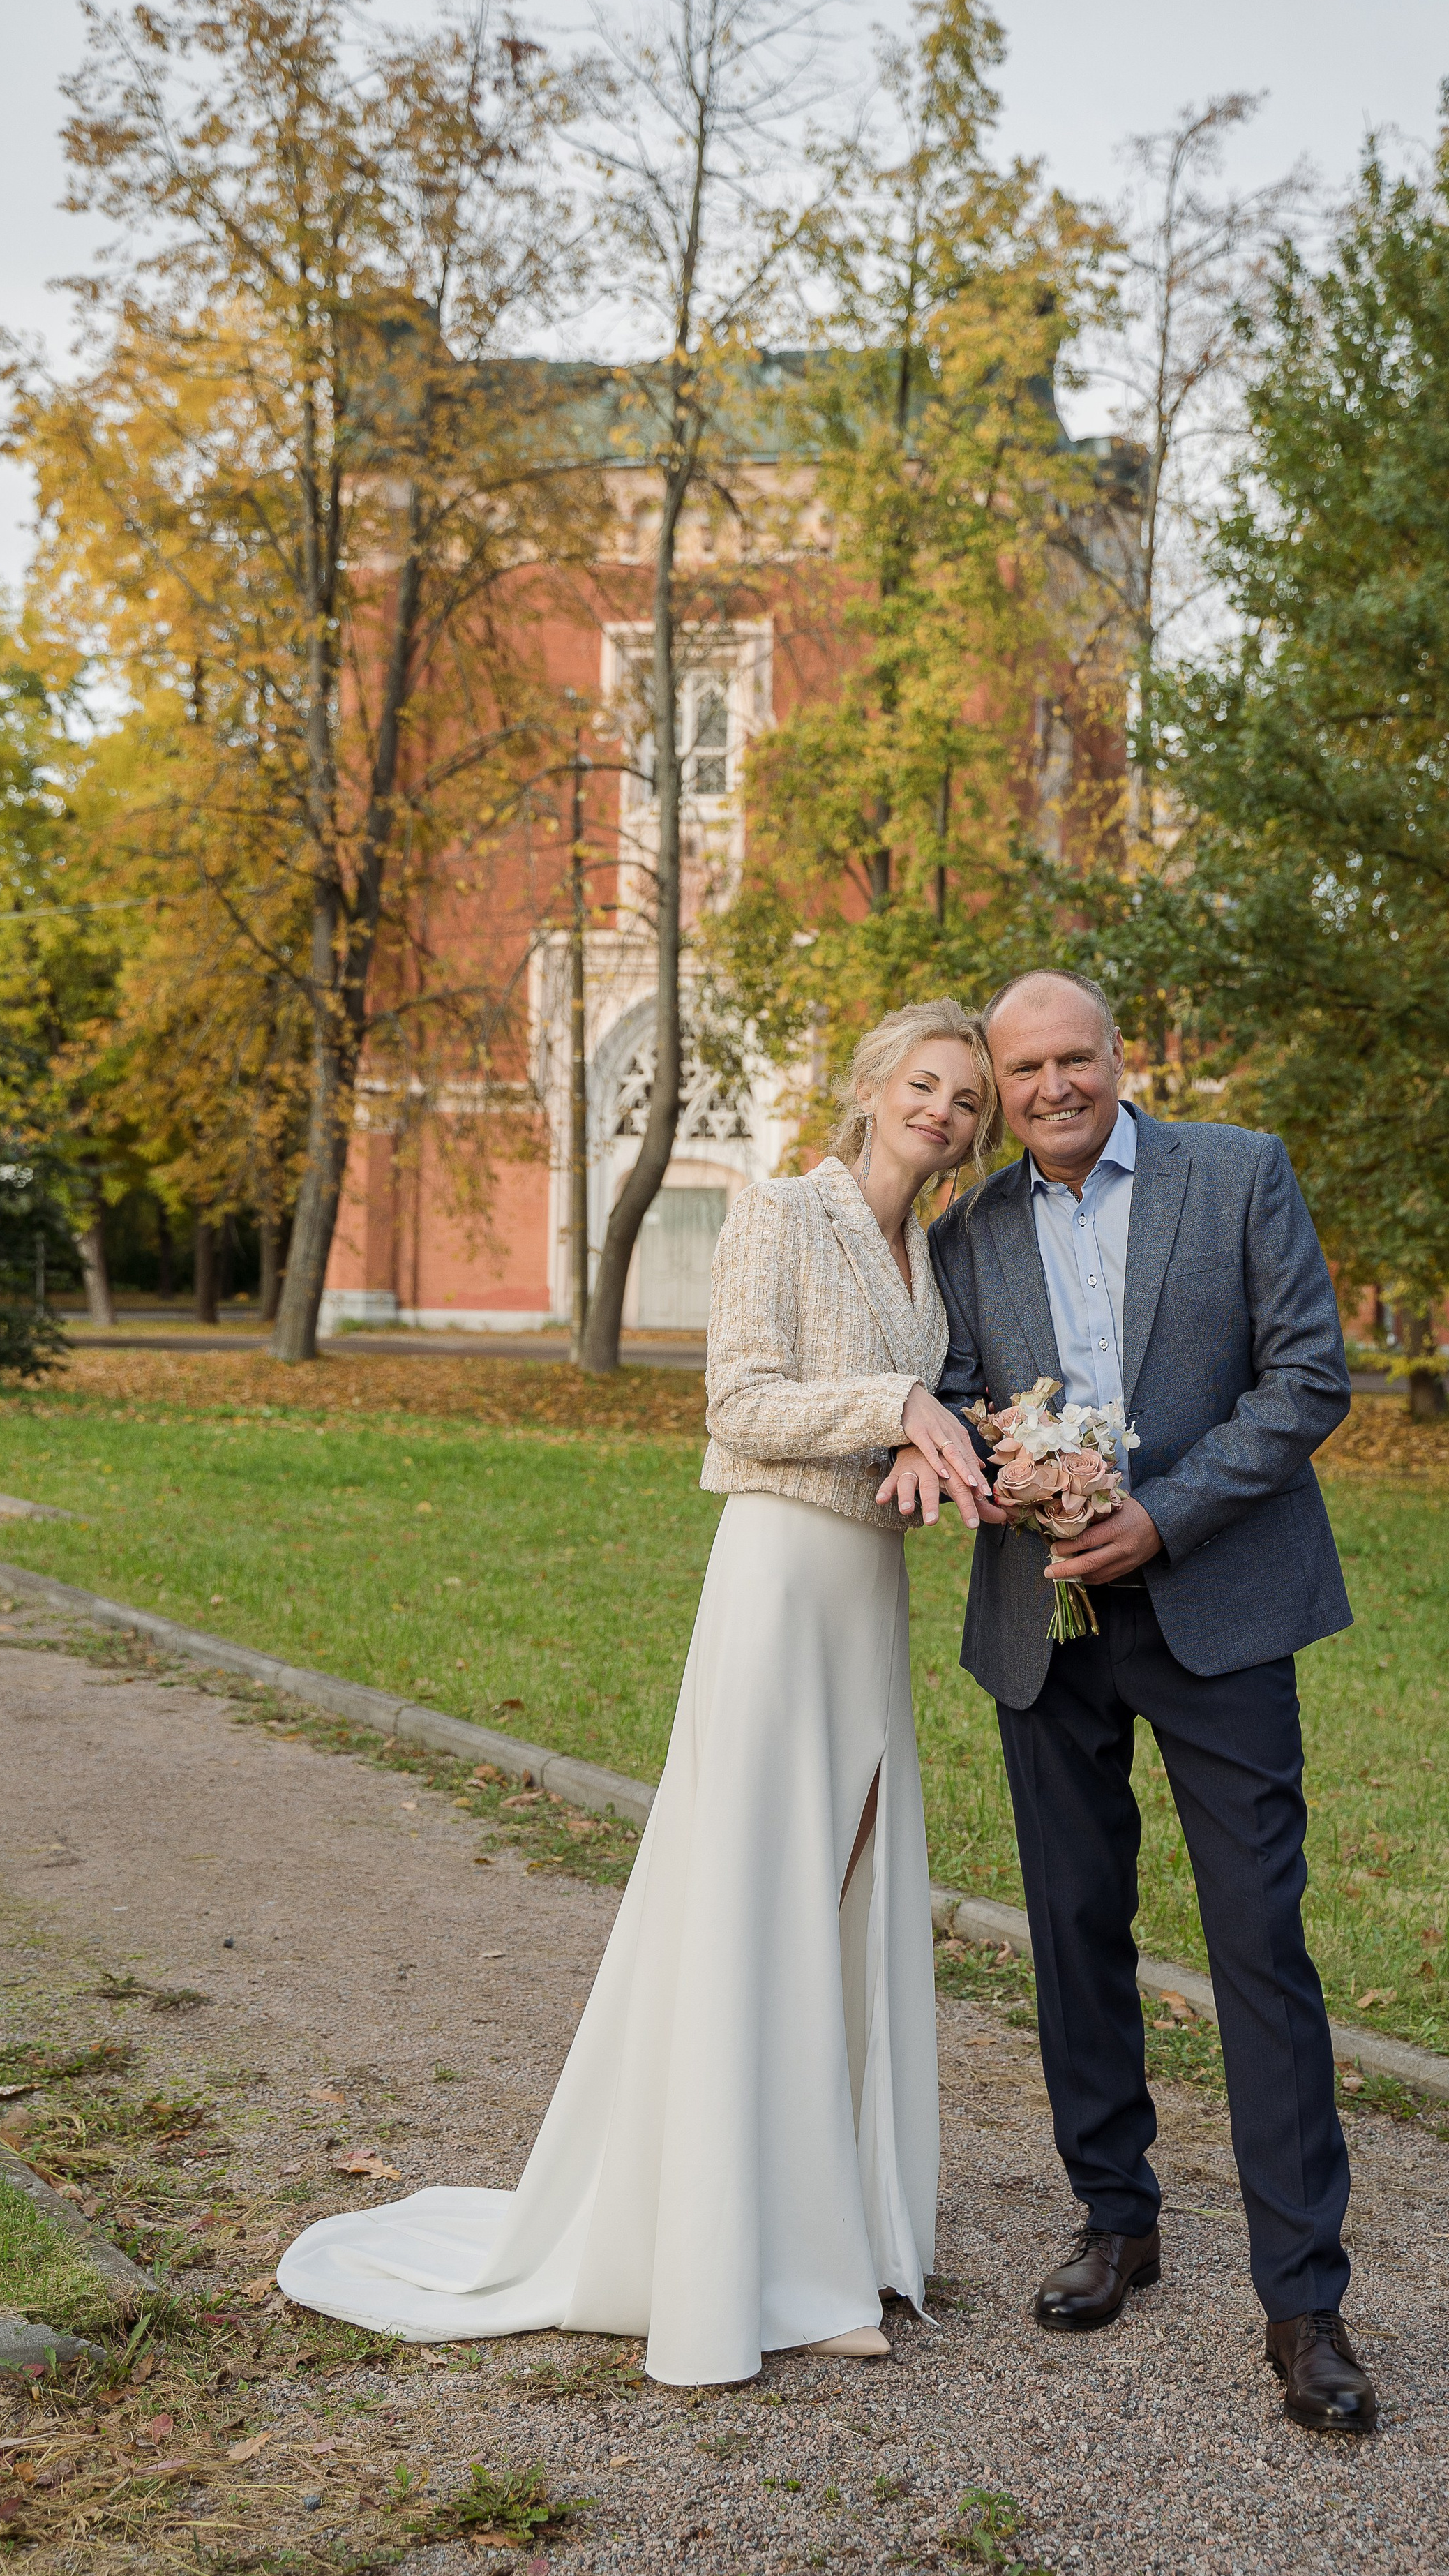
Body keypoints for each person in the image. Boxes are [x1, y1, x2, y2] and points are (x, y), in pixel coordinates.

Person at [277, 998, 1002, 2386]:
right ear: (871, 1084)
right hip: (776, 1583)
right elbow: (737, 1402)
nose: (944, 1115)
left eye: (967, 1101)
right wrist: (892, 1413)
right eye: (926, 1085)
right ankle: (756, 2263)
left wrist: (922, 1454)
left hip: (863, 1595)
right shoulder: (784, 1211)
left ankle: (830, 2227)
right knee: (761, 1900)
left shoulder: (930, 1252)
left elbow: (896, 1409)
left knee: (844, 1894)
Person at [914, 968, 1378, 2435]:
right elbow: (964, 1392)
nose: (1051, 1086)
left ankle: (1303, 2303)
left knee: (1256, 1942)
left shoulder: (1235, 1174)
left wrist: (1159, 1518)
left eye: (1074, 1058)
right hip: (1040, 1629)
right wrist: (1010, 1482)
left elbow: (1306, 1380)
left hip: (1217, 1609)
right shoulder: (964, 1230)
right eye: (1023, 1070)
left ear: (1121, 1058)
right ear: (997, 1087)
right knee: (1070, 1927)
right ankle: (1114, 2217)